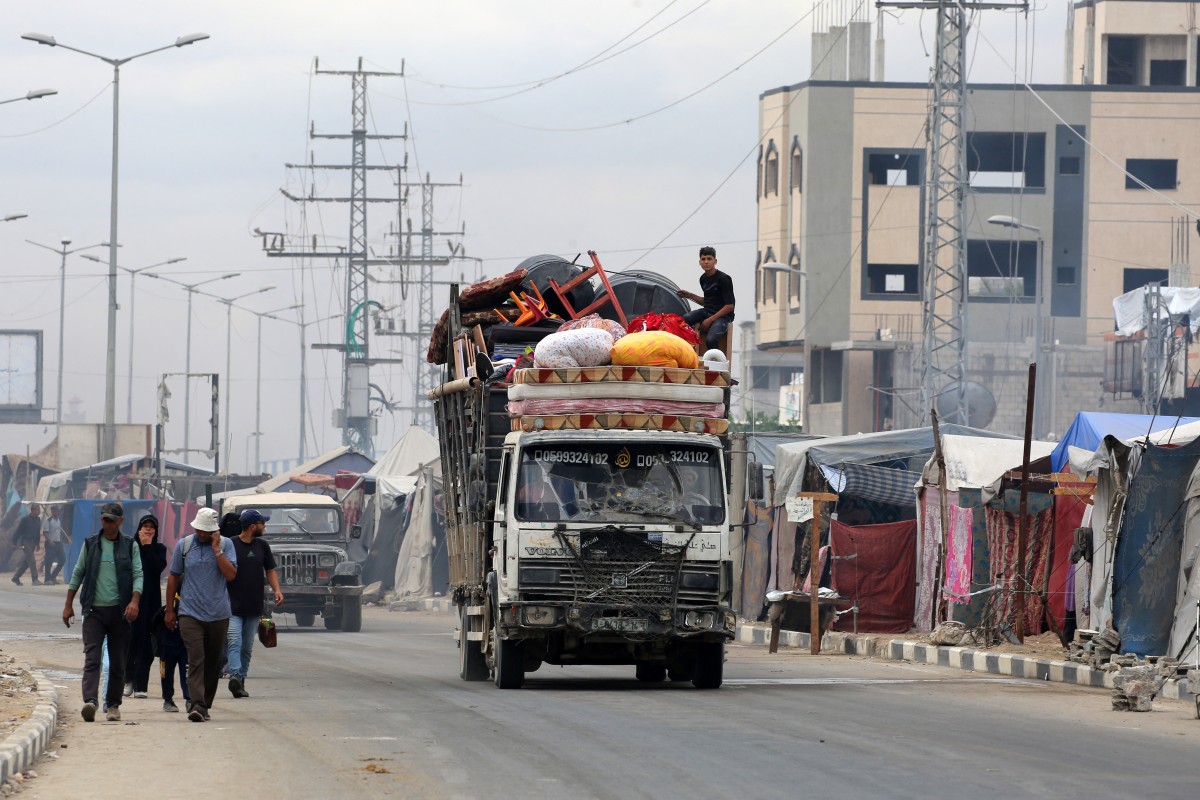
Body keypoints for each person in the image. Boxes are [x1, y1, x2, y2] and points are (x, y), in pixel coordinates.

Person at [62, 502, 143, 722]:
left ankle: (113, 705)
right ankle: (90, 701)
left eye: (112, 520)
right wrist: (68, 604)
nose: (107, 524)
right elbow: (78, 573)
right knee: (92, 659)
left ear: (121, 521)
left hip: (120, 613)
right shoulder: (91, 545)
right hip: (93, 612)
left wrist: (134, 601)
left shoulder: (130, 545)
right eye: (104, 519)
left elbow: (138, 575)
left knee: (117, 662)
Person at [164, 507, 237, 723]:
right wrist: (169, 610)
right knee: (196, 659)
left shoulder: (226, 545)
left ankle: (204, 704)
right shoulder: (184, 546)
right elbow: (173, 578)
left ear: (215, 530)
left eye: (207, 531)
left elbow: (231, 575)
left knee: (214, 662)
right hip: (190, 613)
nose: (202, 534)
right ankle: (196, 704)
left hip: (218, 613)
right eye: (200, 530)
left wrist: (217, 550)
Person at [225, 509, 283, 698]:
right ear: (252, 526)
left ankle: (240, 681)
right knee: (234, 641)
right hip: (232, 605)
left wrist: (277, 590)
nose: (264, 526)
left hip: (254, 606)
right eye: (262, 523)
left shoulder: (262, 546)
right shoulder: (230, 544)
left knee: (247, 646)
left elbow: (270, 570)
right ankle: (234, 676)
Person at [125, 514, 167, 699]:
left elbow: (156, 568)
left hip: (151, 604)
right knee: (130, 642)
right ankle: (128, 680)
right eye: (145, 526)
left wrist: (148, 547)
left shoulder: (159, 549)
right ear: (139, 528)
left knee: (148, 645)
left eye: (152, 526)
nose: (148, 529)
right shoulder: (129, 547)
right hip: (132, 602)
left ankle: (141, 685)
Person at [677, 245, 736, 351]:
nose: (706, 262)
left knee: (711, 340)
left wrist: (710, 320)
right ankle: (687, 351)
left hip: (723, 317)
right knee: (682, 321)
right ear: (699, 262)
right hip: (707, 311)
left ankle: (716, 362)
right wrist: (689, 295)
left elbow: (729, 306)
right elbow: (708, 302)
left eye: (709, 259)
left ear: (715, 261)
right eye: (703, 259)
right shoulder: (703, 279)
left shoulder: (724, 279)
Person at [150, 601, 190, 712]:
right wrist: (159, 642)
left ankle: (190, 699)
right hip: (166, 648)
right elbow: (154, 625)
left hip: (185, 647)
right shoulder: (163, 611)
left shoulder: (190, 609)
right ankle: (168, 700)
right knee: (166, 674)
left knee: (187, 673)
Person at [11, 504, 42, 586]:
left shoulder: (38, 520)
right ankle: (35, 579)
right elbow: (18, 531)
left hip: (33, 543)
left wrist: (38, 544)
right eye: (38, 510)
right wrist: (14, 542)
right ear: (33, 510)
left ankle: (16, 577)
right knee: (32, 560)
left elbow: (37, 533)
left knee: (27, 562)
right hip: (25, 542)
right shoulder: (25, 519)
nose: (39, 511)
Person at [42, 505, 68, 585]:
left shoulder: (58, 520)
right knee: (49, 561)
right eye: (57, 510)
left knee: (63, 559)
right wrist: (49, 540)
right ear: (53, 511)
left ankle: (53, 576)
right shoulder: (48, 520)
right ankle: (47, 579)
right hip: (51, 543)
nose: (59, 512)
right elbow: (45, 532)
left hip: (58, 543)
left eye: (59, 510)